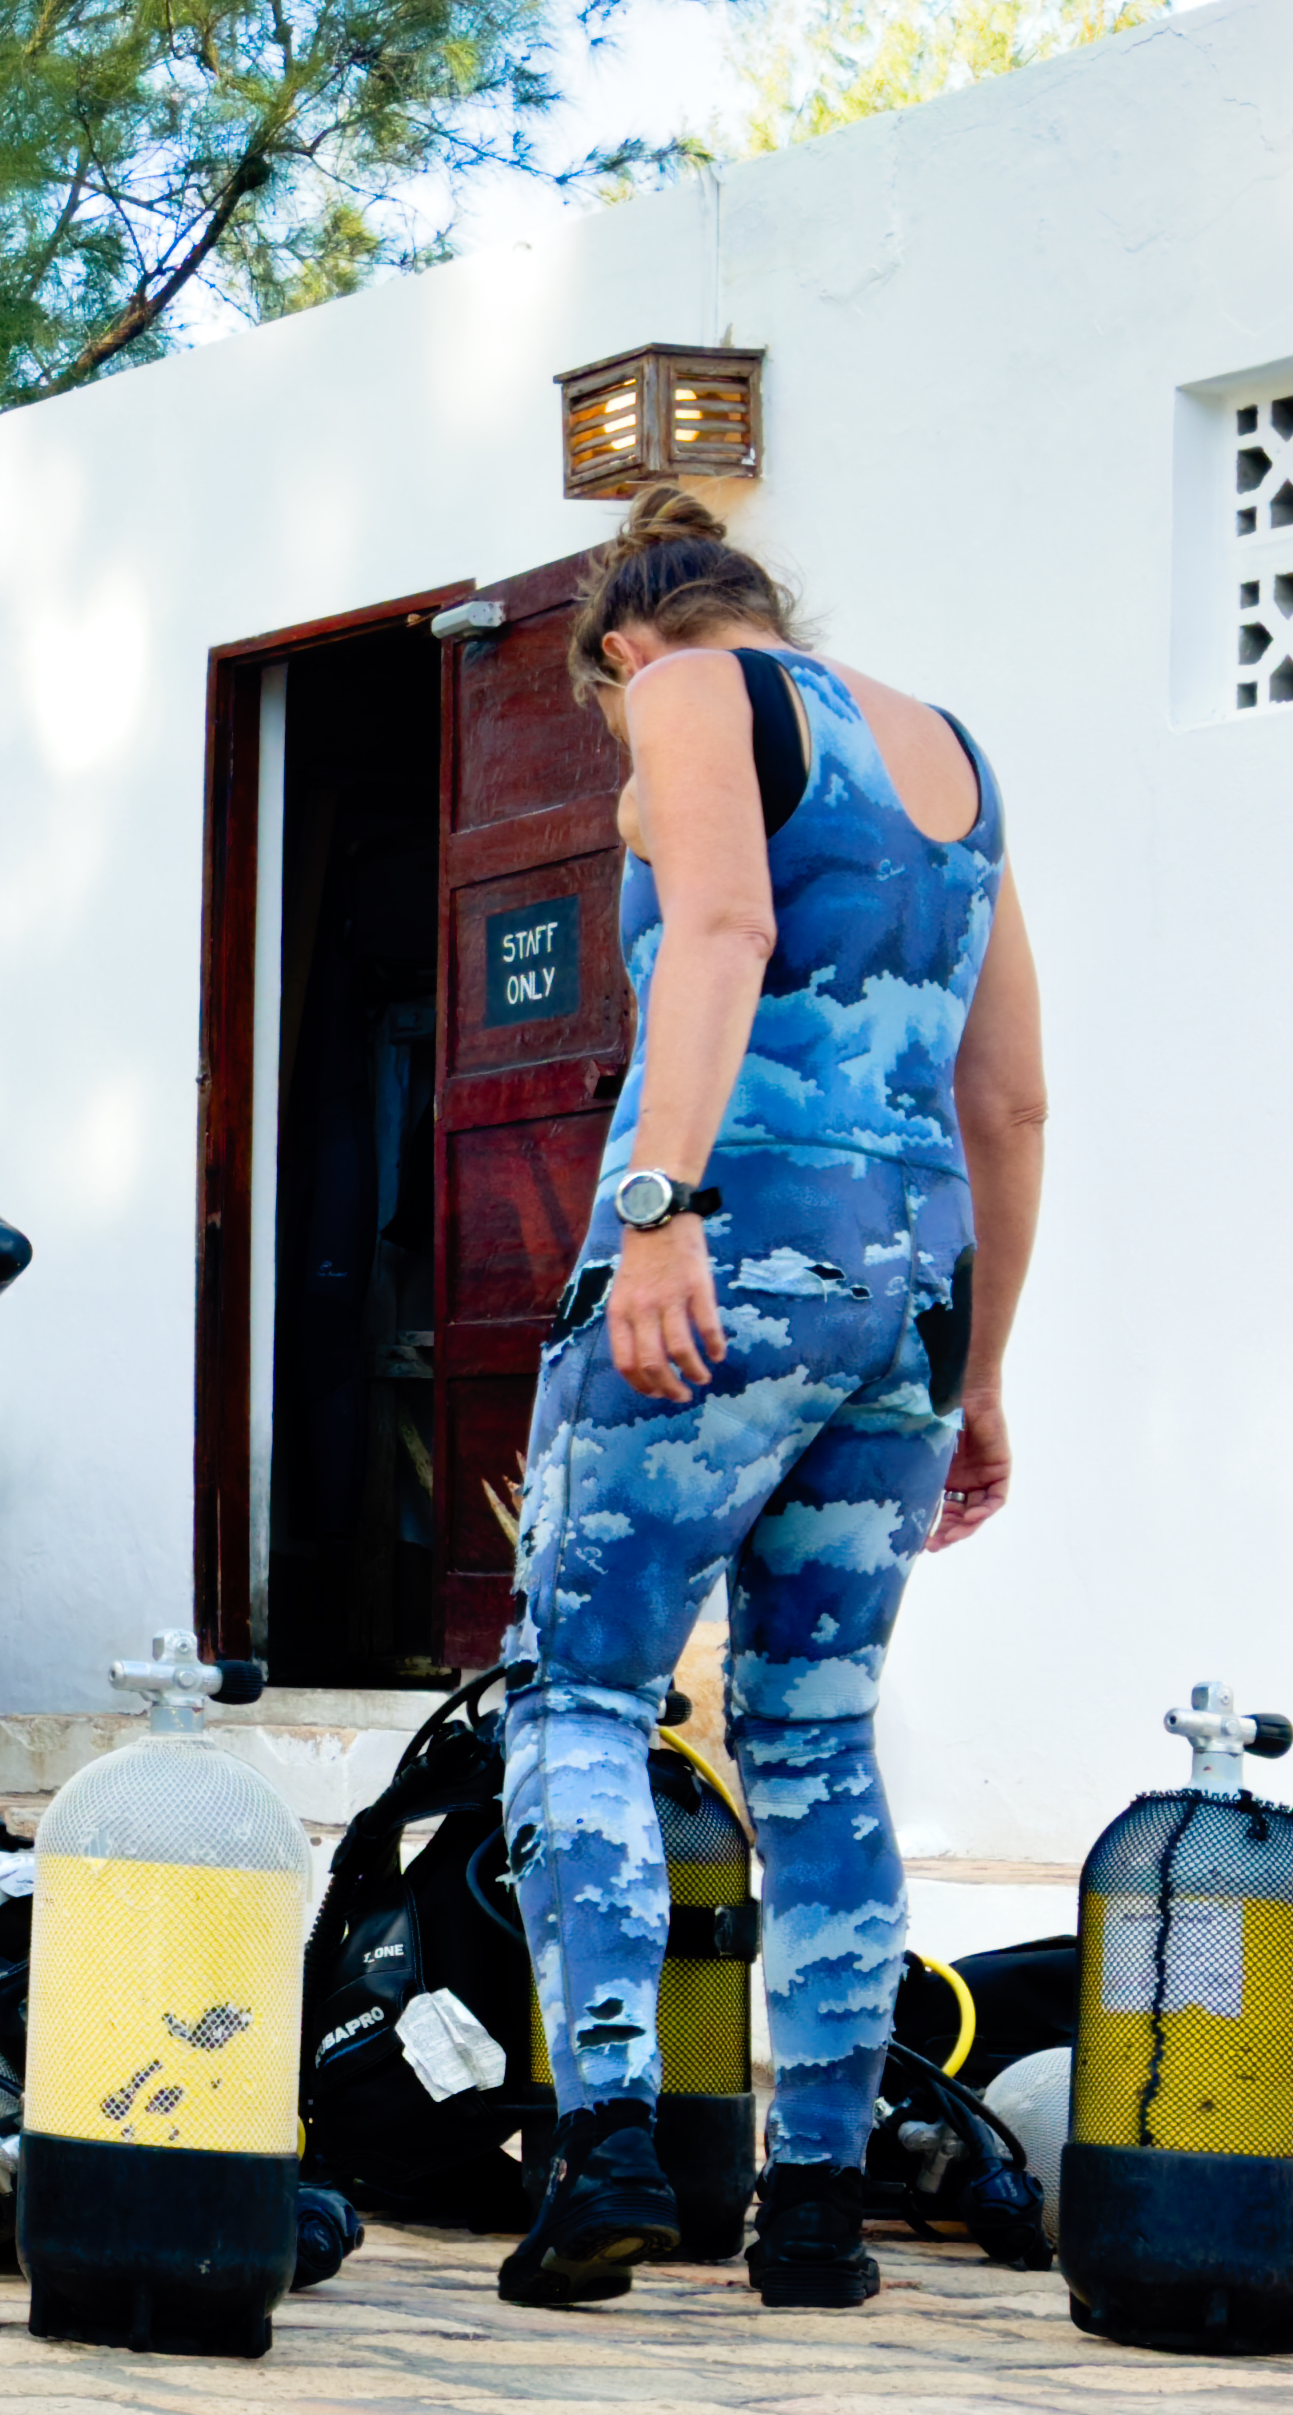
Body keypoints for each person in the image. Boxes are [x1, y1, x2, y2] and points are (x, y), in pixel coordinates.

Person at [494, 488, 1047, 2315]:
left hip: (736, 1255)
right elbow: (1011, 1100)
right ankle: (812, 2208)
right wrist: (978, 1370)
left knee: (580, 1685)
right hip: (911, 1285)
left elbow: (719, 930)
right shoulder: (950, 752)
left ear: (619, 653)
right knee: (813, 1736)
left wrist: (658, 1213)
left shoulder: (689, 687)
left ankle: (608, 2149)